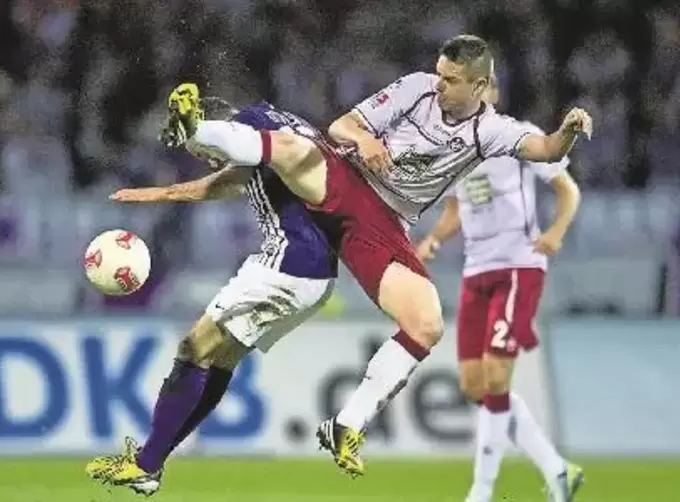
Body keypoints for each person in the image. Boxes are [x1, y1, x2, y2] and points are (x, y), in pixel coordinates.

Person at [164, 33, 593, 483]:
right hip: (347, 180)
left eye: (450, 80)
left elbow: (546, 150)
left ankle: (346, 424)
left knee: (426, 324)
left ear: (479, 86)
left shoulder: (493, 132)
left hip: (382, 227)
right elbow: (341, 128)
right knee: (291, 148)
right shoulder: (415, 88)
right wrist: (366, 140)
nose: (439, 84)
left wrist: (567, 131)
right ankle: (195, 129)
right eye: (439, 74)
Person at [84, 89, 338, 496]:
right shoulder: (272, 130)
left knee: (192, 349)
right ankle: (150, 463)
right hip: (311, 269)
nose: (204, 158)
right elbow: (226, 183)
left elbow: (230, 157)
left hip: (289, 263)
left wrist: (198, 129)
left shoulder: (251, 128)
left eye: (201, 149)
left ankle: (147, 464)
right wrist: (160, 194)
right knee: (217, 361)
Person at [415, 76, 583, 502]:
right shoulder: (455, 151)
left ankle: (482, 491)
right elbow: (457, 208)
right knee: (474, 385)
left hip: (517, 267)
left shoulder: (517, 137)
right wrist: (435, 238)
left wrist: (557, 231)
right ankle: (557, 468)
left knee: (494, 375)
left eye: (483, 90)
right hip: (477, 271)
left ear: (491, 94)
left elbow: (568, 190)